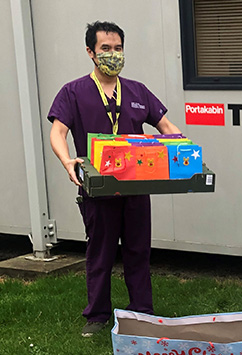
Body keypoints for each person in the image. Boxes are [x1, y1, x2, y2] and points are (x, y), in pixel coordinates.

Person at [48, 21, 181, 337]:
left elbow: (167, 126)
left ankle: (142, 314)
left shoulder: (137, 91)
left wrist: (184, 149)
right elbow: (58, 131)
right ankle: (97, 316)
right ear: (90, 52)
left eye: (118, 48)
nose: (112, 54)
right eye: (105, 49)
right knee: (100, 253)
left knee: (138, 251)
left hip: (137, 187)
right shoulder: (73, 92)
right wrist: (67, 160)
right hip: (98, 189)